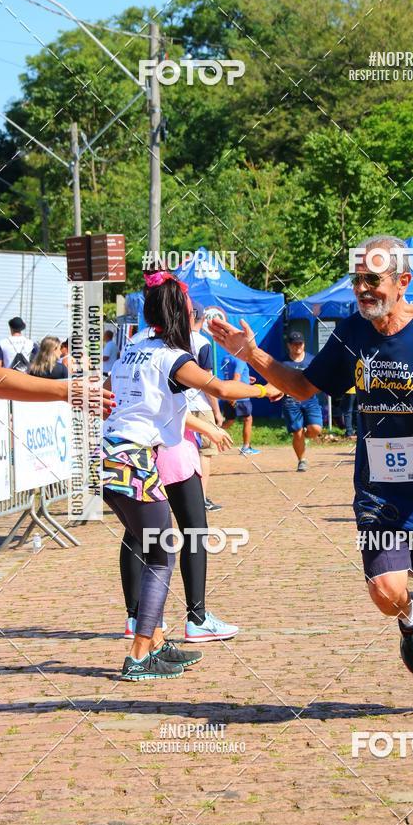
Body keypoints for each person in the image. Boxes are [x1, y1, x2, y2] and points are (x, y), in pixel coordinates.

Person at [211, 234, 413, 720]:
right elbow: (302, 386)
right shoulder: (350, 335)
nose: (363, 289)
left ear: (402, 282)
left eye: (373, 280)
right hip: (379, 487)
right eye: (358, 279)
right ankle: (408, 619)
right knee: (386, 591)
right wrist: (252, 354)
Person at [103, 272, 279, 680]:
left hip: (109, 455)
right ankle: (139, 656)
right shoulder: (172, 357)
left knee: (150, 549)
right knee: (161, 554)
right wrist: (264, 389)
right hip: (134, 459)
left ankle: (158, 643)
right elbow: (219, 389)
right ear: (181, 313)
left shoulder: (134, 348)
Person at [118, 405, 239, 644]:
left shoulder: (123, 366)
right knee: (194, 531)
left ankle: (136, 619)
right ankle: (197, 619)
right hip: (173, 451)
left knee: (138, 534)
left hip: (137, 451)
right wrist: (262, 392)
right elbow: (176, 405)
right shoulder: (173, 366)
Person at [186, 303, 225, 511]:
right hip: (200, 404)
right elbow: (207, 381)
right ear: (203, 318)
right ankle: (199, 499)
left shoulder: (174, 340)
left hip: (178, 405)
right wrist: (217, 412)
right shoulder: (202, 343)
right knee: (205, 452)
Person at [281, 330, 322, 471]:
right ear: (289, 345)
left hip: (310, 400)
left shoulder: (312, 360)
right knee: (297, 432)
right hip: (291, 401)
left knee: (316, 429)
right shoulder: (283, 363)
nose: (297, 346)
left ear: (304, 344)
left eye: (300, 343)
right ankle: (302, 460)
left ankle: (302, 438)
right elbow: (278, 381)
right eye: (294, 344)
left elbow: (319, 378)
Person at [220, 353, 260, 455]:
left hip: (228, 395)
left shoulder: (225, 358)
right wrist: (234, 396)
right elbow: (236, 376)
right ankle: (246, 448)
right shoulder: (240, 358)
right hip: (240, 397)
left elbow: (229, 375)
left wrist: (246, 378)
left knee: (229, 421)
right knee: (248, 419)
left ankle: (207, 438)